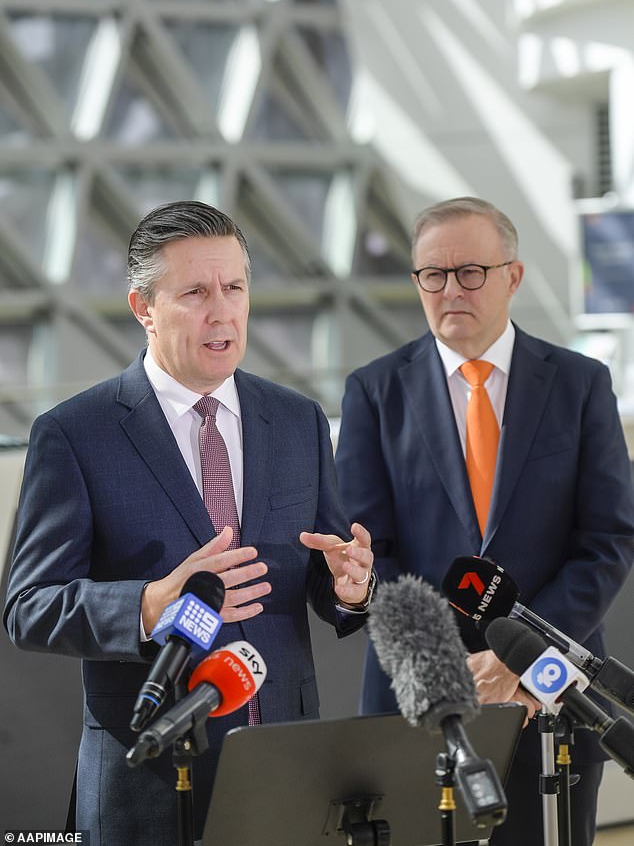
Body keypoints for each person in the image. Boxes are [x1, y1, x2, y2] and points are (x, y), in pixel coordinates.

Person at [3, 201, 375, 845]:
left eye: (234, 288)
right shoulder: (74, 433)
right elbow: (29, 608)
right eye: (196, 292)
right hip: (147, 779)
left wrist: (349, 586)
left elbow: (323, 574)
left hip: (286, 766)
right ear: (142, 307)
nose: (222, 310)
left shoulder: (298, 421)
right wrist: (150, 603)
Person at [335, 196, 634, 846]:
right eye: (432, 275)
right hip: (417, 701)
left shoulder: (580, 384)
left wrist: (518, 660)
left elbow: (607, 540)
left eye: (470, 271)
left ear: (513, 276)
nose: (450, 289)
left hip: (550, 693)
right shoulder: (372, 392)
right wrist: (449, 673)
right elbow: (370, 554)